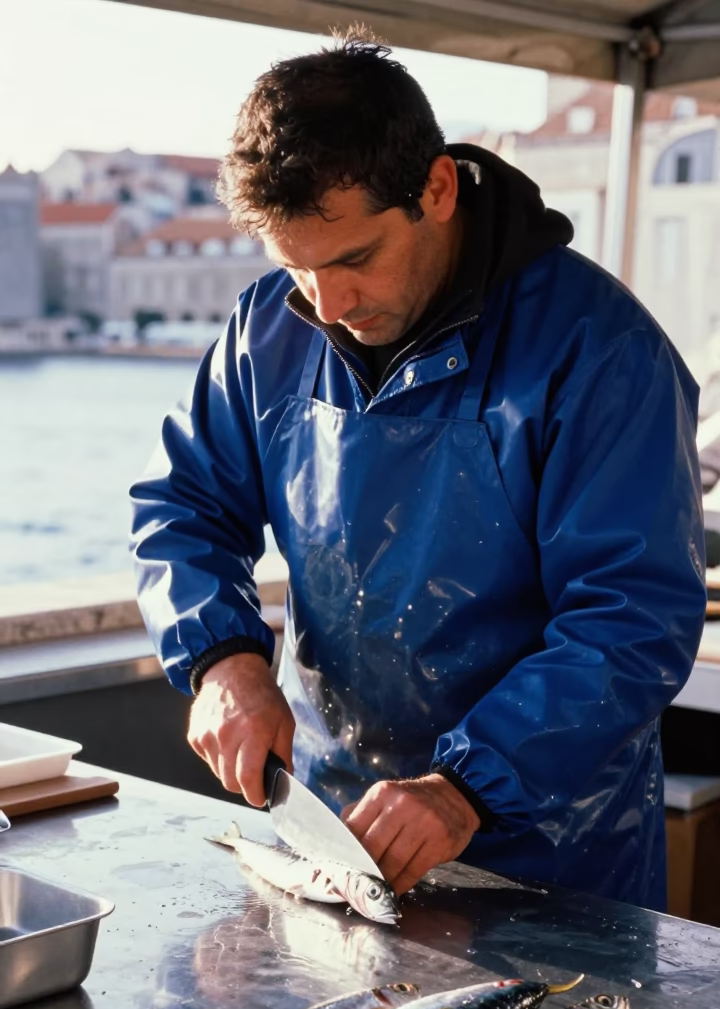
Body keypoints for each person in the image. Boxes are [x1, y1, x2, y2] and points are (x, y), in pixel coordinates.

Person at [130, 30, 707, 911]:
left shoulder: (603, 354)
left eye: (356, 259)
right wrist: (220, 658)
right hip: (330, 832)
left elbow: (631, 617)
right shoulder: (268, 330)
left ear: (437, 190)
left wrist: (467, 786)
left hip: (554, 856)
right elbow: (184, 505)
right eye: (297, 266)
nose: (328, 305)